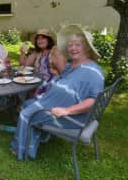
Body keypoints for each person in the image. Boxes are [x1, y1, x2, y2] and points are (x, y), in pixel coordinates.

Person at [10, 24, 104, 160]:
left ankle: (22, 150)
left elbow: (94, 101)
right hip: (55, 104)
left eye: (77, 45)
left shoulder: (93, 72)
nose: (72, 48)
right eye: (70, 45)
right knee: (28, 103)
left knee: (26, 112)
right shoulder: (74, 65)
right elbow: (61, 78)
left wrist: (68, 111)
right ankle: (34, 140)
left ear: (87, 48)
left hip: (73, 117)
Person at [20, 28, 66, 95]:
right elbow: (24, 65)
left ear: (49, 40)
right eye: (38, 39)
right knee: (22, 90)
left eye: (43, 38)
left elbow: (63, 72)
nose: (40, 40)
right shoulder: (37, 52)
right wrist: (22, 53)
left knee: (26, 94)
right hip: (37, 82)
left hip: (51, 84)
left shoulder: (55, 50)